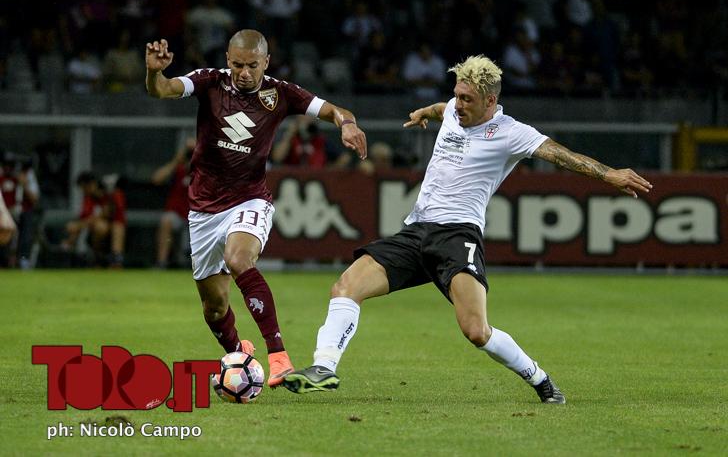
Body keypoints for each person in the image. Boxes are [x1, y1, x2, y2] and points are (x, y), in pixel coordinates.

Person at [283, 55, 652, 404]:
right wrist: (424, 112)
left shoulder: (511, 132)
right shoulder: (452, 111)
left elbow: (561, 155)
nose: (458, 105)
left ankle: (539, 378)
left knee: (476, 331)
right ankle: (324, 367)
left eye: (467, 99)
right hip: (416, 231)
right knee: (345, 287)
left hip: (457, 237)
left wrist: (610, 174)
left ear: (490, 101)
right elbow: (441, 109)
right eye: (457, 95)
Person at [145, 29, 367, 387]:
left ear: (266, 61)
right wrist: (154, 72)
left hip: (249, 199)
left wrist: (348, 125)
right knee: (214, 308)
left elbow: (334, 111)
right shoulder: (209, 82)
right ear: (227, 60)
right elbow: (163, 89)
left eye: (252, 65)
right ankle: (239, 356)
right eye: (237, 65)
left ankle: (278, 357)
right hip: (203, 210)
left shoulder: (281, 93)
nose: (244, 73)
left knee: (238, 259)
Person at [151, 138, 194, 268]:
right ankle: (162, 262)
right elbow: (156, 179)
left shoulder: (205, 169)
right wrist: (176, 160)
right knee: (166, 221)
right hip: (179, 213)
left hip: (200, 213)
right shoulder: (179, 169)